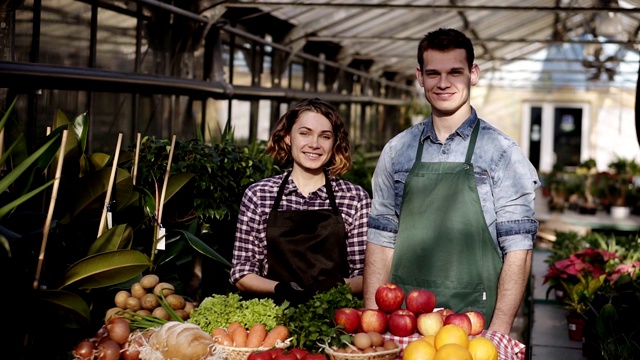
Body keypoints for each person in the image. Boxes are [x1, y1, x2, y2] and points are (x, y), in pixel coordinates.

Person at [363, 28, 539, 335]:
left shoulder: (501, 153)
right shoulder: (397, 151)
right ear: (420, 76)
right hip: (404, 321)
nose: (443, 83)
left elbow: (519, 250)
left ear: (473, 74)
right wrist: (373, 325)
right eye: (433, 73)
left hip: (476, 323)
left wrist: (497, 333)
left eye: (455, 72)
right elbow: (381, 242)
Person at [229, 97, 371, 306]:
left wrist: (332, 288)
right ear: (287, 137)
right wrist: (280, 289)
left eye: (325, 136)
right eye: (304, 133)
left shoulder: (355, 198)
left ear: (334, 143)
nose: (314, 144)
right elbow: (241, 273)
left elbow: (365, 275)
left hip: (337, 316)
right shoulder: (259, 195)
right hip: (274, 316)